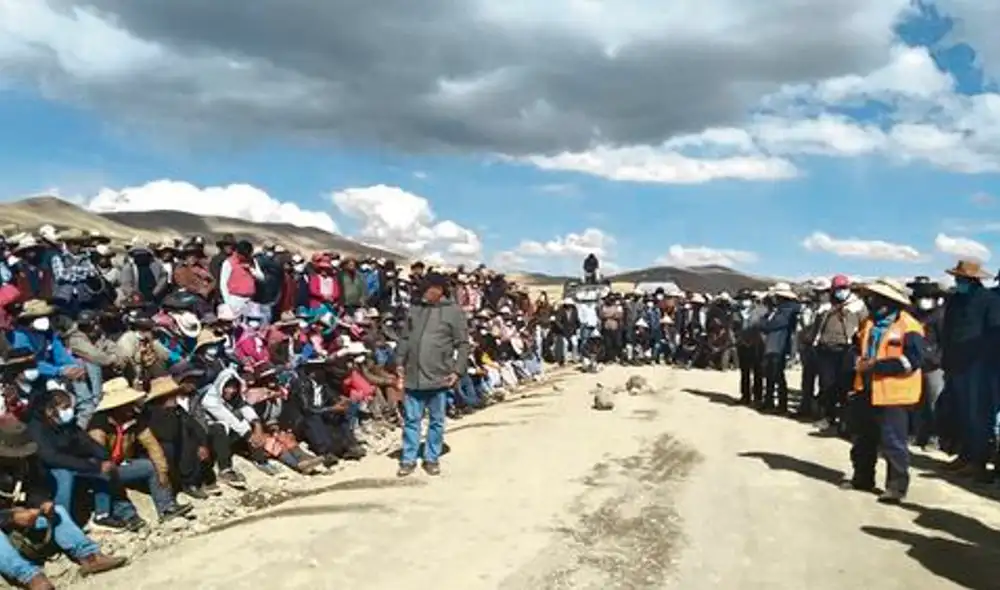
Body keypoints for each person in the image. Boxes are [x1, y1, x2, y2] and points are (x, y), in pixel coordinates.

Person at [0, 420, 127, 589]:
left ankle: (89, 556)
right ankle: (31, 576)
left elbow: (36, 488)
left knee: (57, 511)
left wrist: (42, 503)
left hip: (24, 518)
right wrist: (11, 517)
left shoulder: (28, 463)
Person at [842, 279, 925, 504]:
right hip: (866, 390)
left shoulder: (909, 326)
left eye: (875, 297)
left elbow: (914, 361)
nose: (870, 301)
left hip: (894, 394)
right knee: (863, 438)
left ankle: (896, 488)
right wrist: (855, 362)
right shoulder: (867, 323)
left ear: (889, 302)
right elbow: (853, 348)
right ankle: (862, 478)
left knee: (893, 442)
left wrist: (876, 366)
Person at [393, 272, 469, 477]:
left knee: (436, 420)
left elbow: (462, 344)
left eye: (427, 289)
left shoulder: (453, 312)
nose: (423, 293)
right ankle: (408, 459)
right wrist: (399, 362)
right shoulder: (415, 309)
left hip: (439, 375)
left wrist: (457, 370)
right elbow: (405, 338)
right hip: (413, 375)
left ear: (438, 290)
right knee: (411, 419)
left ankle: (431, 458)